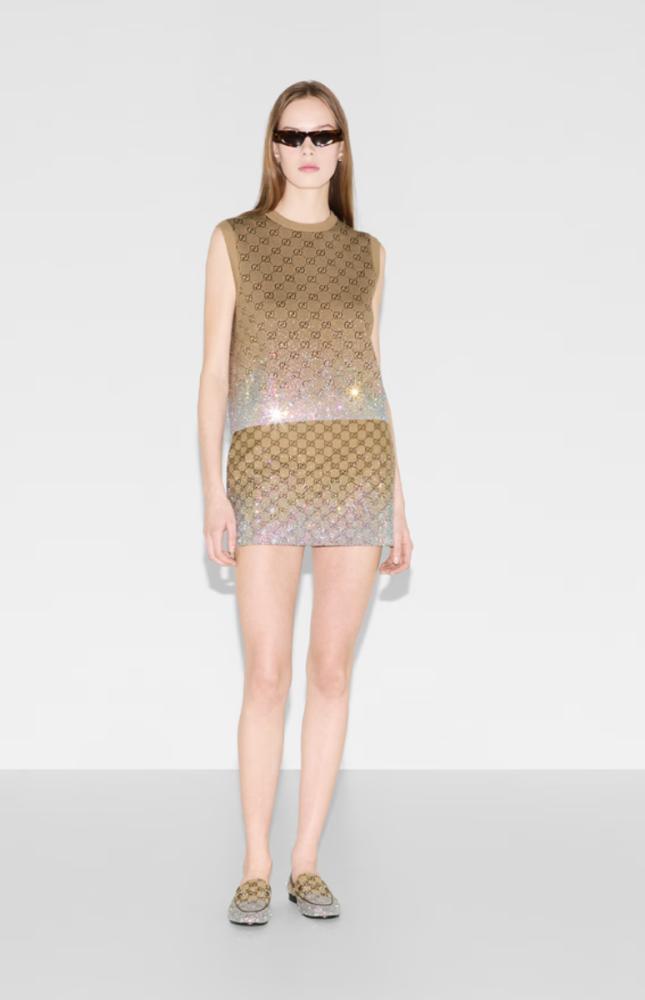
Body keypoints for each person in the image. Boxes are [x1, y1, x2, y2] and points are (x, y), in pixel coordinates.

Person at [198, 80, 413, 925]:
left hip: (357, 467)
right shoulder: (235, 240)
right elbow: (213, 373)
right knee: (267, 673)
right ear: (273, 147)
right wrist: (213, 489)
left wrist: (398, 503)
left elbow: (372, 375)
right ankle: (255, 863)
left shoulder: (368, 254)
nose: (308, 150)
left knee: (329, 671)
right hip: (267, 468)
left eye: (323, 135)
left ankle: (306, 862)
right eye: (293, 136)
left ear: (342, 147)